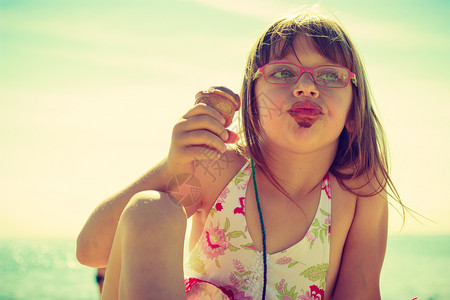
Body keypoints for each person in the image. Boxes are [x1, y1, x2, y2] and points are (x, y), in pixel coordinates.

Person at [76, 7, 405, 300]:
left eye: (330, 75)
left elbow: (359, 290)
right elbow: (91, 250)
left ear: (353, 112)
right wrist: (172, 166)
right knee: (150, 210)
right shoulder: (218, 171)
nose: (306, 86)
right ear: (251, 104)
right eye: (282, 73)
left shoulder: (356, 189)